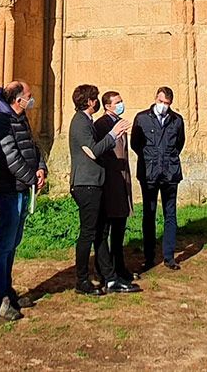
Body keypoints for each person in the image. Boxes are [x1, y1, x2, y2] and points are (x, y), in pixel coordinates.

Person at [69, 84, 139, 295]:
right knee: (88, 233)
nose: (97, 101)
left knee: (99, 232)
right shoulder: (80, 121)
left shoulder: (86, 121)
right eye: (95, 98)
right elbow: (92, 151)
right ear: (89, 101)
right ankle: (82, 280)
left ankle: (110, 278)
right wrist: (113, 134)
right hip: (86, 183)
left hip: (94, 182)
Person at [0, 80, 48, 321]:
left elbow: (32, 147)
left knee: (13, 242)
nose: (31, 99)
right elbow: (10, 157)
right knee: (4, 244)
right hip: (8, 190)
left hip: (22, 188)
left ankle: (8, 290)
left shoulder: (20, 120)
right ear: (17, 99)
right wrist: (31, 177)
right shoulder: (2, 122)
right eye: (29, 95)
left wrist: (41, 168)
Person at [131, 86, 187, 271]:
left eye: (167, 104)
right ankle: (149, 256)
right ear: (156, 98)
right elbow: (135, 144)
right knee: (149, 214)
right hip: (149, 173)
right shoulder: (142, 118)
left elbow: (179, 144)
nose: (164, 106)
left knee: (170, 214)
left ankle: (169, 256)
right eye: (162, 102)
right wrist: (150, 158)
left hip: (170, 173)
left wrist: (167, 159)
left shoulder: (177, 120)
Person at [94, 91, 137, 284]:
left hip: (121, 180)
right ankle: (106, 270)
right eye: (117, 102)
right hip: (110, 181)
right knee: (106, 229)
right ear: (107, 105)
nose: (121, 104)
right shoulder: (102, 124)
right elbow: (101, 151)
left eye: (121, 101)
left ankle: (120, 267)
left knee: (120, 228)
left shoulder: (119, 122)